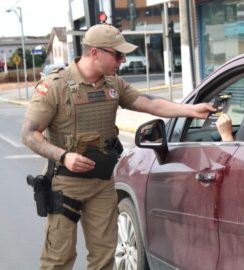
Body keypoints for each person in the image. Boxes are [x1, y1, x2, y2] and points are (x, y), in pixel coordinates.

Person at [21, 24, 214, 270]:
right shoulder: (55, 86)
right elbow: (29, 134)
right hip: (66, 184)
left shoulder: (113, 83)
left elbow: (147, 103)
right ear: (94, 53)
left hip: (101, 183)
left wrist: (189, 110)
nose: (123, 60)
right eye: (117, 54)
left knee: (104, 258)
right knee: (58, 260)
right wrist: (64, 156)